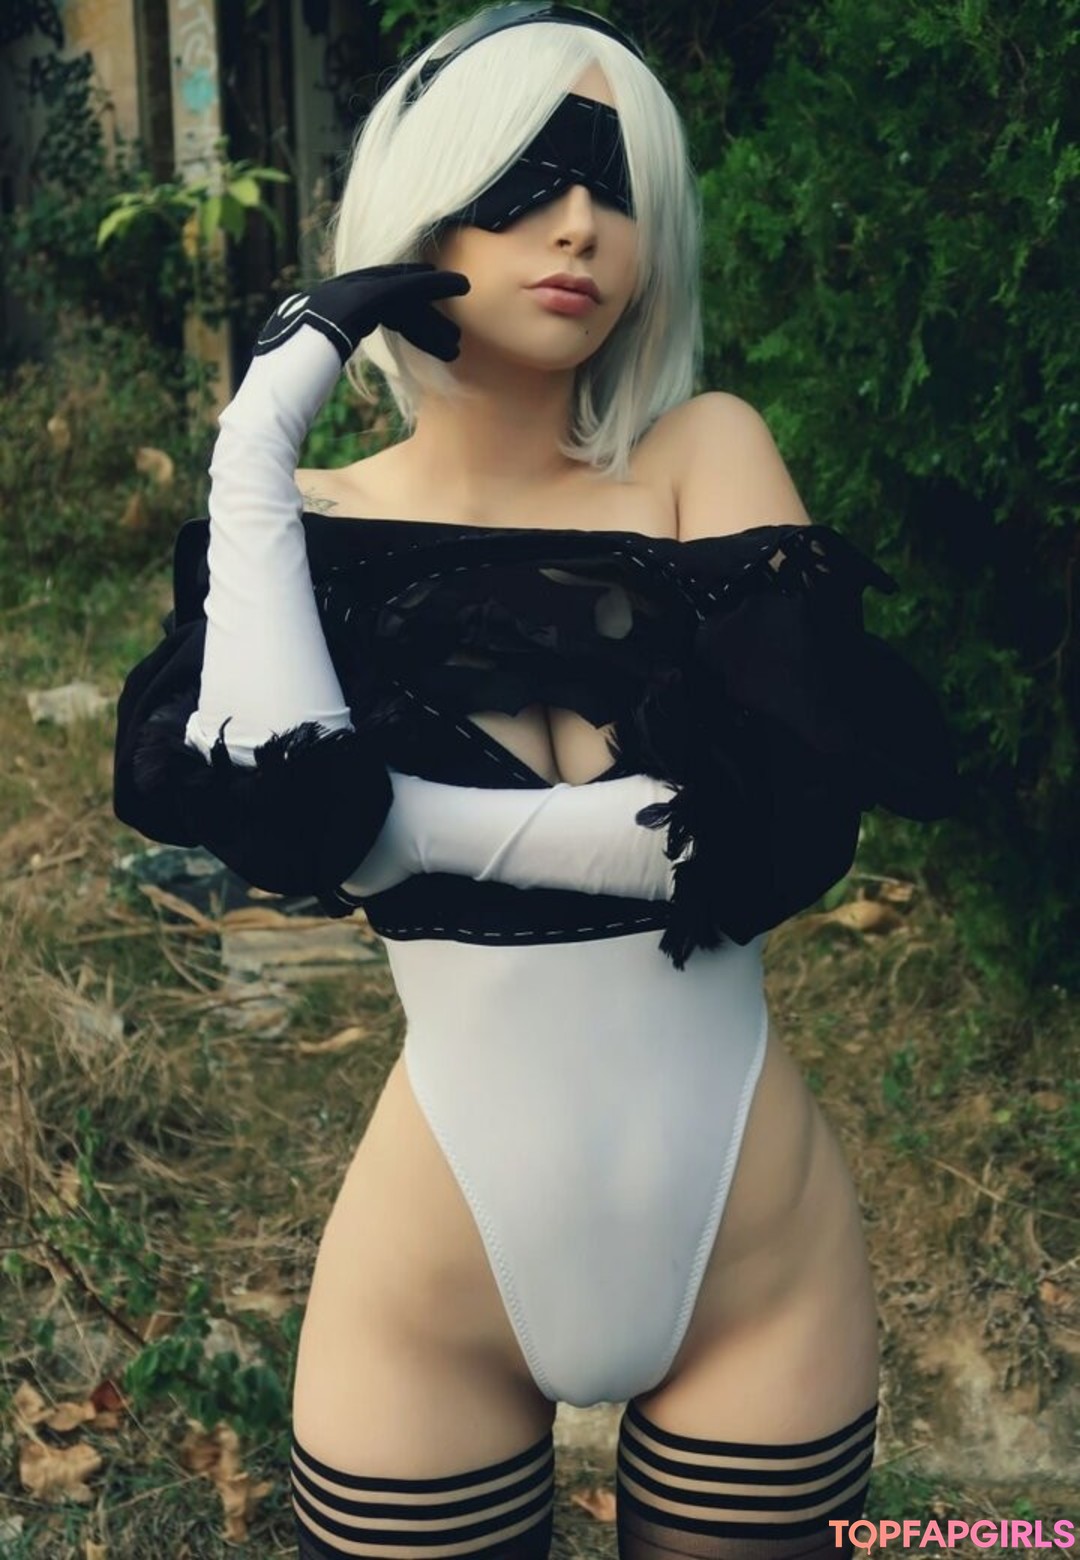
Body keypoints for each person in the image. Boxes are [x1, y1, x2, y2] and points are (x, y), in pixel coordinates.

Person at [112, 5, 961, 1557]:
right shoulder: (302, 519)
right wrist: (257, 439)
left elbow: (768, 831)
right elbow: (291, 813)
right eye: (529, 176)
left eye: (617, 185)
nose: (580, 224)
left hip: (754, 1253)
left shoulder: (703, 454)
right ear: (425, 193)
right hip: (432, 1276)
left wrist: (412, 829)